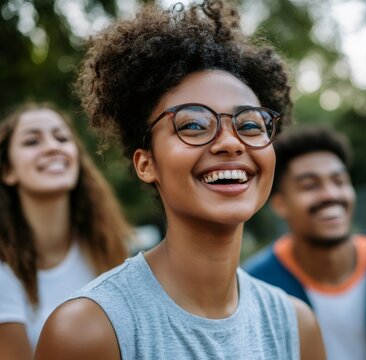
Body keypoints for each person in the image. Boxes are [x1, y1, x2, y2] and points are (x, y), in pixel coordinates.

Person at [35, 1, 325, 360]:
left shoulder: (296, 326)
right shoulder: (88, 331)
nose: (231, 142)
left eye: (250, 124)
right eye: (193, 125)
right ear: (146, 163)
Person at [244, 125, 366, 360]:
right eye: (310, 185)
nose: (330, 194)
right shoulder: (256, 284)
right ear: (280, 203)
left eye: (339, 181)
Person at [0, 103, 131, 359]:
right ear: (8, 171)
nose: (52, 147)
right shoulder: (3, 271)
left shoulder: (106, 246)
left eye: (61, 137)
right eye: (31, 141)